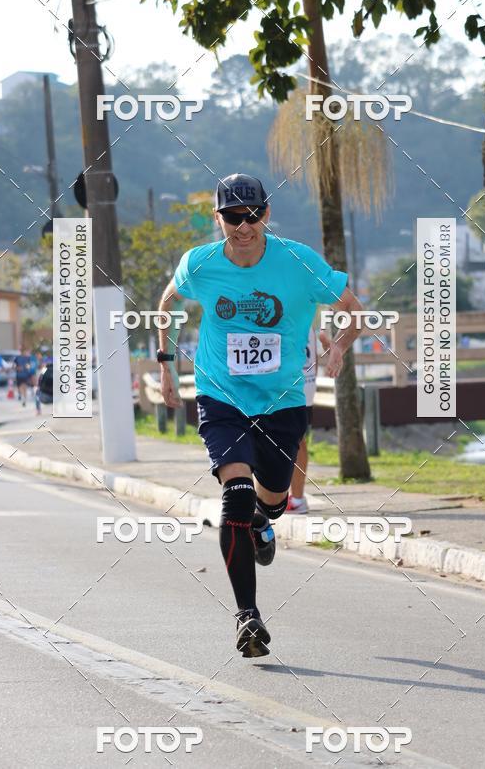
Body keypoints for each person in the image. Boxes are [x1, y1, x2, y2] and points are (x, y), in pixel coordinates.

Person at [158, 174, 363, 658]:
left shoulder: (298, 261)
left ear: (266, 215)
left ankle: (264, 523)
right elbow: (167, 302)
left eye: (252, 216)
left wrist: (338, 348)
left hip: (283, 400)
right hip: (221, 396)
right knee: (235, 495)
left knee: (270, 501)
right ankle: (246, 616)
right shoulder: (200, 264)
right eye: (233, 217)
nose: (243, 226)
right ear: (219, 219)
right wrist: (166, 367)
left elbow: (353, 309)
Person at [287, 325, 318, 514]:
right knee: (296, 440)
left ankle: (297, 499)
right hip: (305, 385)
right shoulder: (305, 318)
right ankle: (295, 497)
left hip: (294, 385)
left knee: (296, 440)